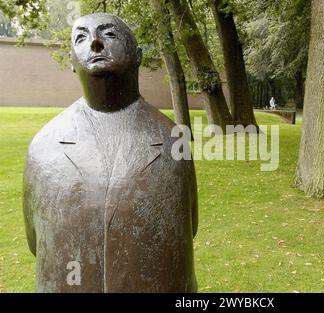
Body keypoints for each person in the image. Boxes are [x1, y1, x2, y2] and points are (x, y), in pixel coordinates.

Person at [23, 13, 198, 293]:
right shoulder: (44, 146)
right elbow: (36, 241)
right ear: (70, 61)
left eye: (109, 34)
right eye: (81, 37)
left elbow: (188, 227)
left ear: (138, 55)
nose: (94, 43)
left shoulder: (172, 141)